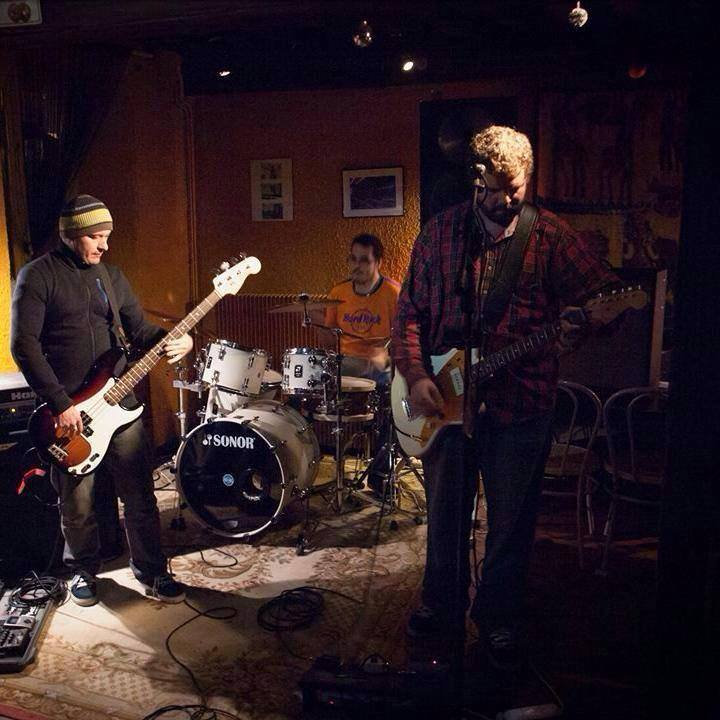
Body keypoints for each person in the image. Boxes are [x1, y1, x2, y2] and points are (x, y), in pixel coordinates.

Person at [391, 126, 619, 668]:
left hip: (523, 404)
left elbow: (606, 297)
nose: (507, 199)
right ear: (476, 182)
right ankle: (441, 605)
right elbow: (408, 316)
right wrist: (417, 375)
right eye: (496, 189)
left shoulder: (551, 236)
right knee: (445, 517)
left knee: (512, 522)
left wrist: (584, 324)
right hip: (447, 406)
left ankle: (498, 618)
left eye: (516, 187)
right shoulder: (440, 233)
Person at [11, 195, 193, 607]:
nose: (105, 245)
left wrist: (177, 340)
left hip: (120, 405)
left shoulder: (110, 277)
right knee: (77, 505)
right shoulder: (37, 276)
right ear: (71, 235)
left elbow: (140, 330)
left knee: (140, 496)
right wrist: (60, 402)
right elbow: (24, 346)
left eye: (107, 236)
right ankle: (82, 570)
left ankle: (152, 570)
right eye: (96, 236)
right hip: (69, 413)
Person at [318, 233, 400, 387]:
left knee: (387, 374)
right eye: (353, 259)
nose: (356, 266)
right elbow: (329, 342)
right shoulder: (338, 292)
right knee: (320, 377)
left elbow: (404, 339)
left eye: (364, 261)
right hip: (346, 362)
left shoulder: (394, 294)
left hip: (378, 365)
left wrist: (385, 356)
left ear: (378, 262)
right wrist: (316, 322)